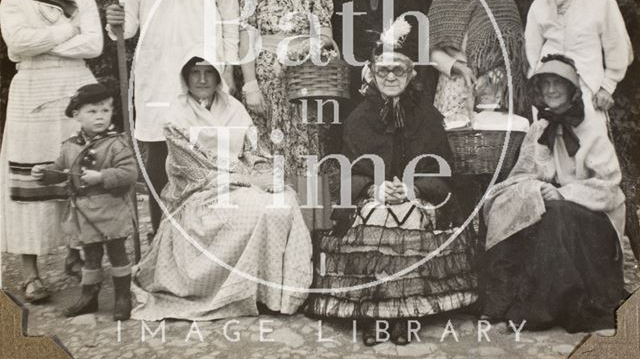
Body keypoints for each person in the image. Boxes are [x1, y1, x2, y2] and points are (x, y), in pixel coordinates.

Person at [306, 31, 477, 346]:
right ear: (371, 72)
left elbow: (442, 170)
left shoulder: (428, 117)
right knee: (377, 218)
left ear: (412, 73)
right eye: (382, 69)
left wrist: (411, 190)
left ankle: (405, 313)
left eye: (399, 69)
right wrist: (374, 191)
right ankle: (377, 313)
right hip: (372, 197)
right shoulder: (358, 119)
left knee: (410, 216)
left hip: (419, 196)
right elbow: (345, 172)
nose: (390, 76)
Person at [130, 51, 313, 321]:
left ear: (218, 77)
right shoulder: (175, 115)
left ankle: (275, 295)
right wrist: (249, 181)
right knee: (255, 207)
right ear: (185, 77)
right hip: (199, 194)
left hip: (240, 184)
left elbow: (255, 151)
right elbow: (194, 170)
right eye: (195, 72)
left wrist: (267, 176)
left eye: (209, 72)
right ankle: (239, 292)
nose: (202, 79)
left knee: (283, 201)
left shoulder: (234, 108)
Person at [105, 0, 240, 234]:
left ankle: (205, 233)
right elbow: (128, 25)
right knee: (157, 155)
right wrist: (116, 19)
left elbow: (230, 20)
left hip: (204, 74)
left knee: (206, 151)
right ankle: (162, 232)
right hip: (157, 74)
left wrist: (228, 69)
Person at [481, 54, 626, 332]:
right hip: (556, 206)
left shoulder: (593, 128)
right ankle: (500, 299)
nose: (551, 90)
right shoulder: (540, 128)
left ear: (573, 90)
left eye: (558, 83)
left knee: (554, 214)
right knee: (503, 202)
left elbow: (609, 187)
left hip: (598, 219)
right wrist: (536, 187)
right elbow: (523, 173)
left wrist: (564, 193)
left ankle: (541, 311)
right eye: (545, 84)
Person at [0, 0, 103, 302]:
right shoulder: (13, 2)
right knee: (32, 179)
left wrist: (45, 41)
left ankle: (76, 259)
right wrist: (66, 30)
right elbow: (18, 44)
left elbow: (94, 45)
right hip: (31, 93)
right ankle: (31, 273)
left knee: (77, 173)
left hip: (76, 89)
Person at [32, 84, 137, 320]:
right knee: (91, 256)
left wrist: (102, 176)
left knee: (118, 253)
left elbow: (130, 173)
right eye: (92, 111)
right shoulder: (70, 145)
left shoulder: (115, 143)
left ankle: (122, 297)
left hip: (111, 208)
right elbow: (60, 170)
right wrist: (45, 174)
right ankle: (89, 297)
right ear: (76, 115)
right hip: (84, 212)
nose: (100, 116)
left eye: (105, 111)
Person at [239, 0, 334, 179]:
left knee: (306, 149)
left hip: (304, 83)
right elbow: (245, 38)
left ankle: (310, 216)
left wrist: (307, 46)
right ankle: (273, 216)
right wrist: (250, 86)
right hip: (266, 85)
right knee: (267, 149)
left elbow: (326, 36)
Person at [525, 0, 633, 131]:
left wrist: (607, 87)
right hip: (550, 91)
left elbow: (617, 47)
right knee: (550, 146)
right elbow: (532, 54)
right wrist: (539, 92)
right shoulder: (538, 6)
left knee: (590, 148)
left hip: (588, 89)